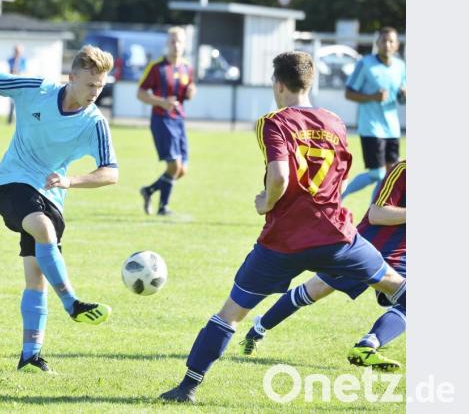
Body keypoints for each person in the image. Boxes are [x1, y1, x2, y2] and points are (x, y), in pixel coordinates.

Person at [158, 51, 407, 403]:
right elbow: (342, 174)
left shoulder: (273, 122)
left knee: (230, 314)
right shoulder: (335, 122)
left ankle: (187, 387)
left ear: (277, 84)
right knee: (401, 288)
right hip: (337, 237)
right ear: (311, 82)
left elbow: (279, 175)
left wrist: (267, 201)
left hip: (283, 241)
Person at [0, 45, 119, 373]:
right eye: (90, 84)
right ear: (72, 77)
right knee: (43, 229)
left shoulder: (94, 123)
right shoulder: (37, 90)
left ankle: (30, 354)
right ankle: (72, 302)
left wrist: (69, 181)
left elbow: (111, 173)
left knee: (36, 278)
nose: (95, 92)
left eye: (101, 86)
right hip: (12, 183)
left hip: (52, 195)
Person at [239, 160, 406, 370]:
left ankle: (367, 345)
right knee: (316, 289)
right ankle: (259, 328)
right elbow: (377, 213)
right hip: (371, 248)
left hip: (401, 256)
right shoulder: (403, 170)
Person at [342, 27, 406, 202]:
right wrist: (372, 97)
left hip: (392, 128)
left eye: (391, 41)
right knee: (376, 173)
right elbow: (348, 93)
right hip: (371, 127)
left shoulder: (401, 67)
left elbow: (402, 98)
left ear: (397, 45)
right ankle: (339, 198)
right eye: (383, 41)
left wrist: (404, 96)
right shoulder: (365, 64)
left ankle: (373, 210)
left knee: (390, 174)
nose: (387, 44)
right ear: (377, 44)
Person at [137, 27, 196, 216]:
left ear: (184, 44)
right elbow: (140, 93)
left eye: (179, 41)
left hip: (179, 120)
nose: (176, 45)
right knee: (174, 166)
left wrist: (191, 92)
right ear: (167, 44)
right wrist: (161, 102)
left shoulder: (187, 67)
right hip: (161, 120)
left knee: (182, 169)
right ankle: (163, 208)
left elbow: (189, 90)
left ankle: (149, 191)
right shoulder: (157, 68)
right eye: (172, 41)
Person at [6, 44, 28, 124]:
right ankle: (10, 121)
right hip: (13, 84)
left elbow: (23, 71)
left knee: (22, 103)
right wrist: (16, 61)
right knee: (12, 103)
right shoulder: (11, 60)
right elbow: (13, 71)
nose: (18, 53)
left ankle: (22, 120)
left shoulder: (24, 60)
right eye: (17, 51)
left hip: (21, 85)